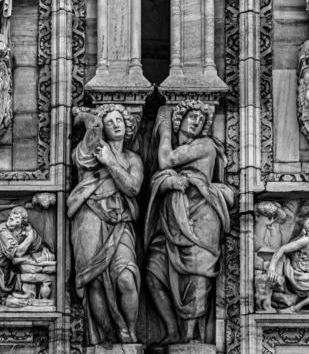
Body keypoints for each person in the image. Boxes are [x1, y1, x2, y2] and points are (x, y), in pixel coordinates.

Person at [145, 100, 234, 345]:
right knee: (153, 270)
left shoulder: (204, 144)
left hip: (202, 217)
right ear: (180, 119)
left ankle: (190, 335)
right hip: (173, 219)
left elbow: (167, 160)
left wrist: (163, 130)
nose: (196, 121)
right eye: (191, 116)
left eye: (201, 119)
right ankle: (172, 329)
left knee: (198, 274)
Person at [67, 105, 143, 346]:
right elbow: (85, 152)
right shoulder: (89, 152)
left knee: (126, 278)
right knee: (95, 281)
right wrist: (89, 118)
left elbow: (132, 187)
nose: (116, 124)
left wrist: (110, 162)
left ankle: (129, 331)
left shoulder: (133, 159)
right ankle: (107, 337)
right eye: (109, 122)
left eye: (119, 119)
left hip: (121, 221)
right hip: (89, 216)